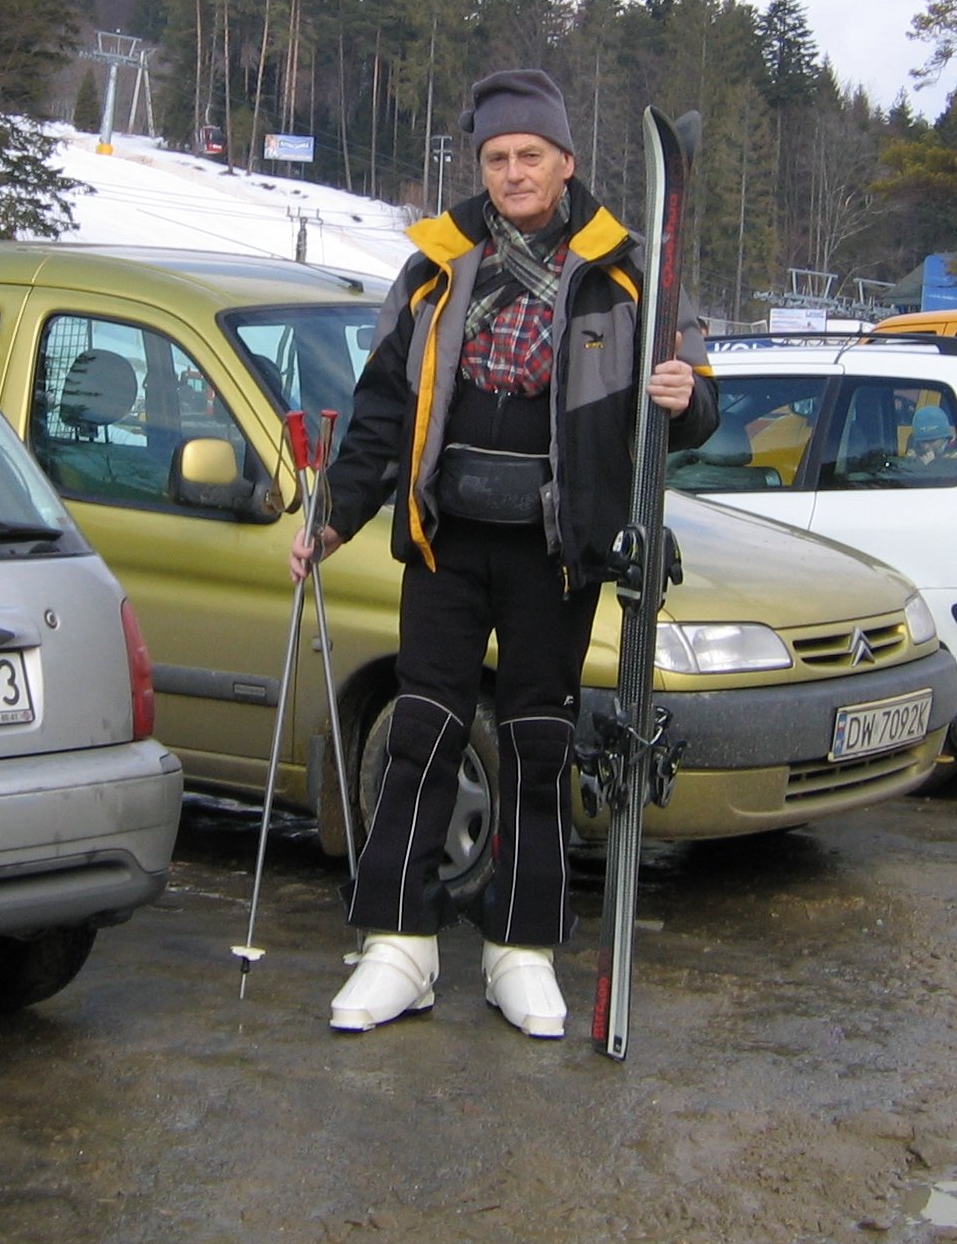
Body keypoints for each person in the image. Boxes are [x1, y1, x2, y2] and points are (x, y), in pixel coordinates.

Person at [294, 69, 718, 1038]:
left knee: (534, 743)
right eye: (498, 157)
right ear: (480, 167)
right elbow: (381, 412)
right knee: (423, 733)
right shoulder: (438, 268)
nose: (515, 172)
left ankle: (521, 951)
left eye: (532, 155)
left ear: (567, 163)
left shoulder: (625, 272)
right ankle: (399, 945)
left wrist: (683, 397)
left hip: (555, 551)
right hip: (446, 544)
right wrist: (332, 517)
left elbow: (698, 410)